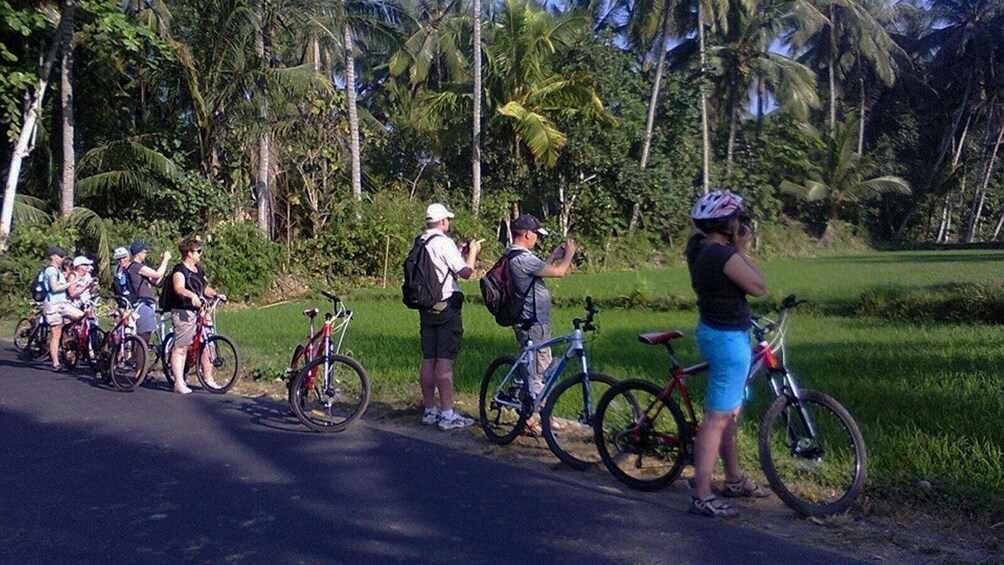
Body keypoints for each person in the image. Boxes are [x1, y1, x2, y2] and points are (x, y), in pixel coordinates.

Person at [685, 189, 769, 518]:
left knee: (728, 414)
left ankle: (732, 478)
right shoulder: (722, 256)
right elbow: (759, 286)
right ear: (726, 223)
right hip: (728, 341)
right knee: (715, 420)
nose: (740, 223)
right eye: (737, 218)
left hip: (717, 333)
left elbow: (696, 227)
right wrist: (741, 249)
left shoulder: (699, 249)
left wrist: (733, 242)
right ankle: (702, 494)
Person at [505, 214, 575, 434]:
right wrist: (568, 256)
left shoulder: (515, 255)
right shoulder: (523, 259)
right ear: (527, 234)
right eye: (536, 234)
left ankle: (531, 414)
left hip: (530, 321)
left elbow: (539, 271)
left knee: (532, 368)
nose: (537, 238)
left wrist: (553, 256)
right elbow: (559, 272)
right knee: (540, 371)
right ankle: (540, 418)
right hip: (533, 323)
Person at [415, 203, 481, 430]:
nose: (449, 223)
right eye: (448, 220)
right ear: (442, 221)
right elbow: (466, 272)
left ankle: (429, 410)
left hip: (426, 307)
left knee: (428, 359)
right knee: (445, 361)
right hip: (446, 307)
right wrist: (472, 253)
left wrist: (459, 252)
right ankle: (447, 413)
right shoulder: (444, 242)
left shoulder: (420, 241)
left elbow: (437, 267)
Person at [162, 238, 226, 394]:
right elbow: (179, 288)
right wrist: (191, 296)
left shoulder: (198, 269)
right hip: (184, 311)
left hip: (201, 310)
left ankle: (208, 379)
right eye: (198, 251)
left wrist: (216, 294)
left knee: (208, 344)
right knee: (182, 347)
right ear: (189, 253)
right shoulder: (180, 270)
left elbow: (205, 288)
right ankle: (179, 382)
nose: (200, 254)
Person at [40, 246, 82, 371]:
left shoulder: (58, 271)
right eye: (60, 256)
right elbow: (54, 288)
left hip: (63, 303)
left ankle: (69, 340)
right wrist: (71, 283)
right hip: (53, 304)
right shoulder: (51, 271)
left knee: (82, 316)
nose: (62, 258)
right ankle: (56, 363)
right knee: (56, 334)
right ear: (53, 257)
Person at [127, 241, 171, 344]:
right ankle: (140, 359)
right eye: (145, 252)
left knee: (147, 335)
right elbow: (156, 274)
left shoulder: (140, 267)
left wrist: (164, 267)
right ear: (139, 254)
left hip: (148, 303)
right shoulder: (135, 266)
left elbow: (156, 281)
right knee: (144, 335)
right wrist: (165, 260)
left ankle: (141, 356)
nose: (146, 255)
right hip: (142, 303)